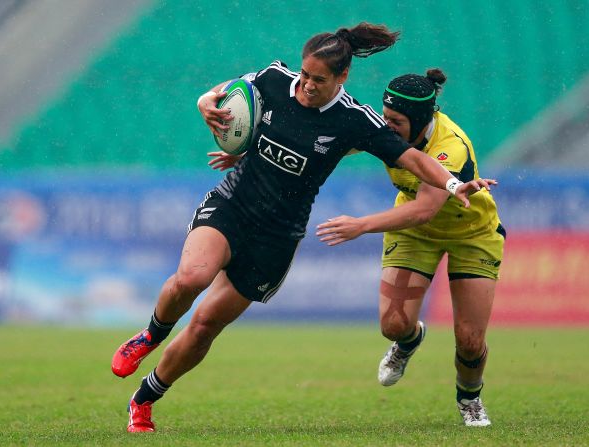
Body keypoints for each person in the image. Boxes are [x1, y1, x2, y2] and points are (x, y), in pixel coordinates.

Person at [111, 23, 495, 433]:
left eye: (319, 80)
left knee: (206, 325)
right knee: (192, 277)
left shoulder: (355, 120)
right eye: (305, 74)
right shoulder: (276, 79)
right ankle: (149, 336)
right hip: (233, 206)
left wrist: (453, 183)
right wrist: (205, 101)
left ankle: (145, 399)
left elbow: (414, 160)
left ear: (342, 78)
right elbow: (225, 93)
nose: (307, 86)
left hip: (277, 235)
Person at [316, 69, 505, 427]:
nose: (386, 127)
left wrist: (361, 225)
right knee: (392, 324)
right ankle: (408, 342)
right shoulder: (385, 128)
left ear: (419, 120)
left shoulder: (450, 147)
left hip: (472, 234)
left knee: (468, 339)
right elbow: (331, 143)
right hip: (415, 236)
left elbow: (423, 210)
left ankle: (470, 398)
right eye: (385, 117)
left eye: (396, 121)